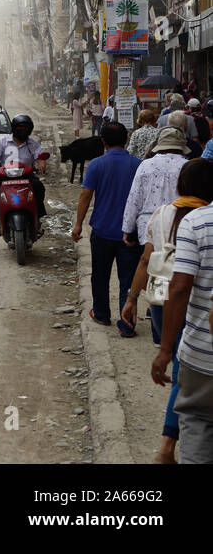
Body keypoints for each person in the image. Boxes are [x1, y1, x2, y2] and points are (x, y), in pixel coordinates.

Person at [123, 159, 213, 463]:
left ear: (181, 185)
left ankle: (167, 447)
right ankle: (167, 446)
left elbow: (147, 261)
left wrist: (132, 297)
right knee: (182, 375)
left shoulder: (163, 214)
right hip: (195, 313)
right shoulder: (203, 218)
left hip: (166, 306)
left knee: (182, 374)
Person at [152, 175, 213, 464]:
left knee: (199, 425)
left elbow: (179, 287)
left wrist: (165, 350)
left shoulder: (198, 221)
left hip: (203, 355)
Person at [73, 121, 143, 332]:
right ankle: (127, 324)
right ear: (127, 140)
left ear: (103, 142)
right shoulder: (138, 165)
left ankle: (102, 314)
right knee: (128, 280)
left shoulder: (96, 164)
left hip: (102, 230)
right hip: (130, 232)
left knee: (100, 275)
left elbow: (86, 195)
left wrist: (78, 225)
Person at [119, 126, 190, 334]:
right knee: (176, 270)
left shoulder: (145, 165)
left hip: (149, 227)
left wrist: (127, 228)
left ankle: (157, 313)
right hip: (180, 225)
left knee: (156, 269)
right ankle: (175, 317)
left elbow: (134, 199)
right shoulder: (187, 167)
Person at [0, 114, 46, 239]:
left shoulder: (32, 143)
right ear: (14, 128)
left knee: (39, 187)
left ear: (30, 129)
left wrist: (42, 164)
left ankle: (37, 219)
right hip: (5, 177)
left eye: (25, 127)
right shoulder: (3, 142)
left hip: (27, 177)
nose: (23, 130)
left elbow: (40, 157)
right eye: (20, 127)